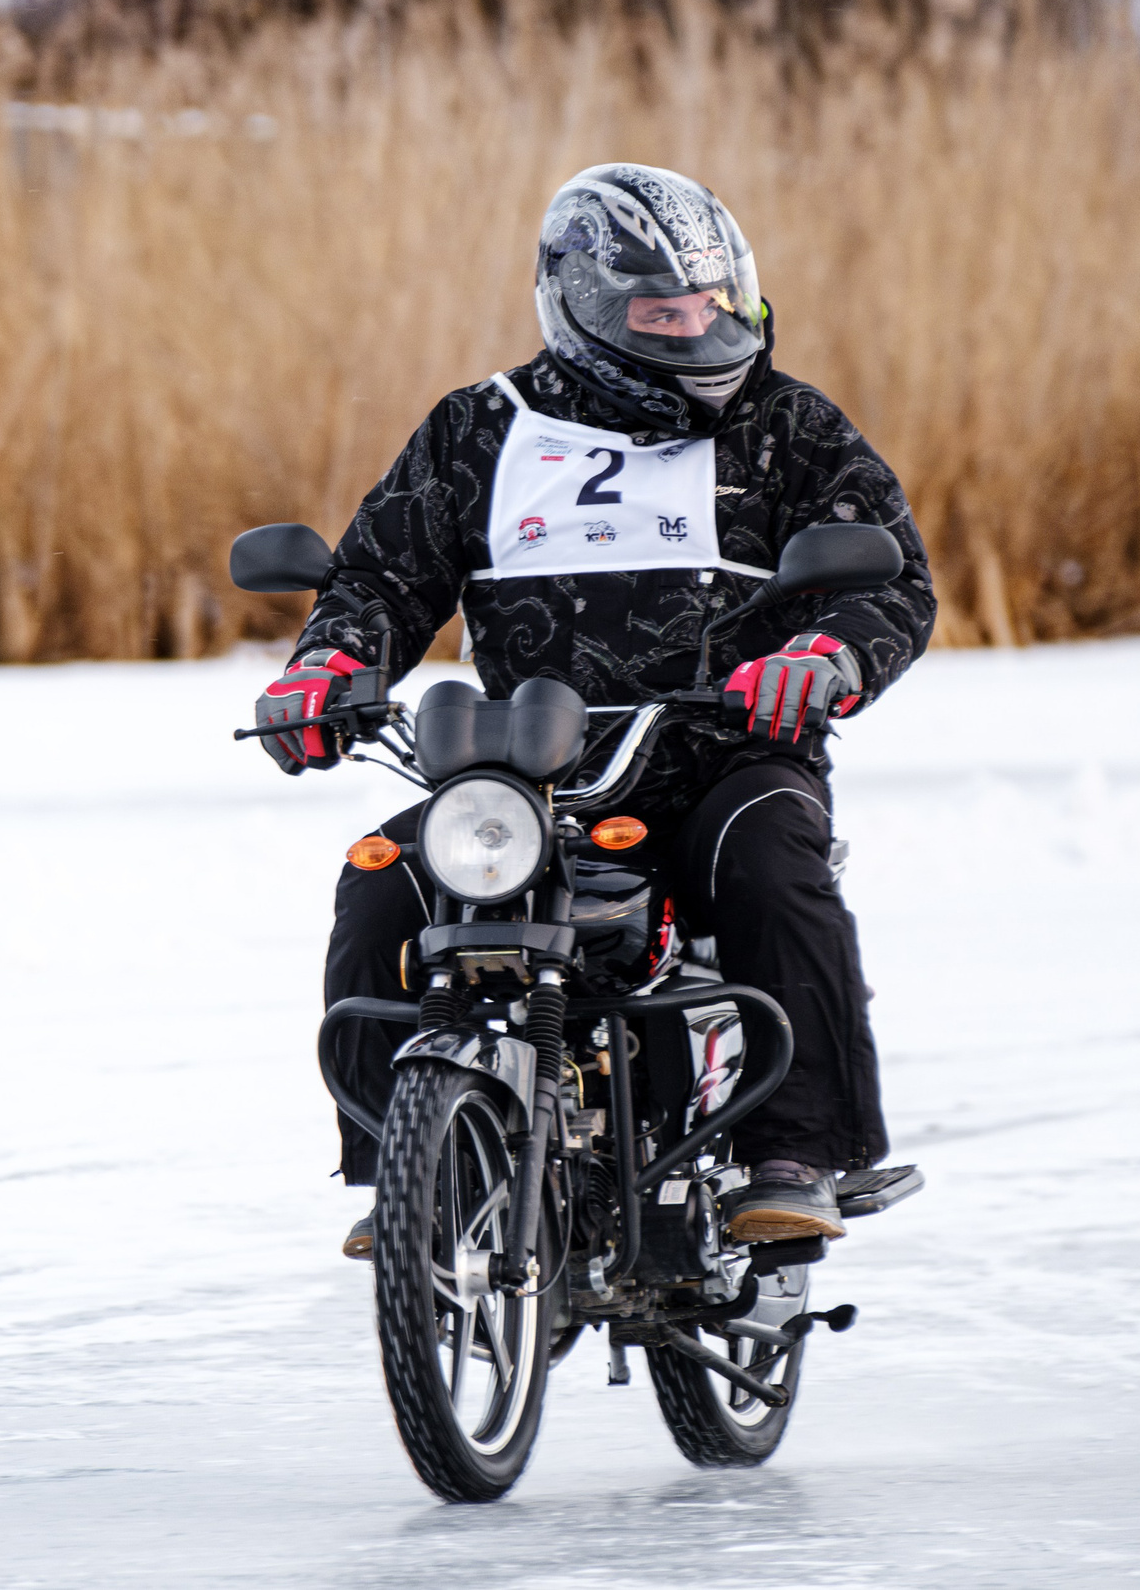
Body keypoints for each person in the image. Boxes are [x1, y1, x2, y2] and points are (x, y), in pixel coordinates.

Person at [251, 164, 935, 1259]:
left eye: (713, 303)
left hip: (724, 751)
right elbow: (381, 579)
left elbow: (889, 580)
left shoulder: (785, 423)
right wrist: (326, 669)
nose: (699, 328)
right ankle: (410, 1164)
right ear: (586, 311)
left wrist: (825, 655)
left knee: (771, 862)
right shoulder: (481, 429)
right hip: (526, 770)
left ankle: (790, 1156)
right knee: (383, 882)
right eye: (664, 312)